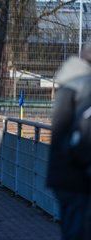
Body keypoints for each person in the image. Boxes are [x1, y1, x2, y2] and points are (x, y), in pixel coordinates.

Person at [47, 44, 91, 240]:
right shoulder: (86, 85)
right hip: (78, 176)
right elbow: (84, 133)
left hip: (61, 172)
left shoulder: (70, 82)